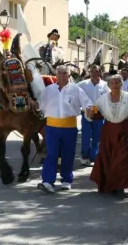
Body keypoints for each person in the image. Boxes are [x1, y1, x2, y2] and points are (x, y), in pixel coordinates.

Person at [37, 65, 93, 193]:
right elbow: (40, 105)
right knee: (51, 155)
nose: (62, 76)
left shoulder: (76, 89)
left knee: (68, 154)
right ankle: (47, 182)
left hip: (69, 128)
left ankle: (66, 180)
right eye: (60, 73)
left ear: (69, 76)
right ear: (56, 76)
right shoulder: (48, 90)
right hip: (51, 128)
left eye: (65, 73)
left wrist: (89, 108)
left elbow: (87, 102)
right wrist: (32, 103)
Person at [90, 74, 128, 196]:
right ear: (109, 85)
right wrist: (90, 113)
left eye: (117, 83)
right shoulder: (102, 99)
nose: (115, 85)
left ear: (121, 84)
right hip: (108, 133)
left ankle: (120, 184)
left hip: (127, 132)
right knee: (109, 159)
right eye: (112, 83)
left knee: (124, 159)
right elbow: (97, 115)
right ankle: (112, 184)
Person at [77, 65, 109, 166]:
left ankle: (93, 156)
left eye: (96, 71)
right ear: (89, 73)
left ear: (100, 72)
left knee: (97, 137)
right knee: (86, 136)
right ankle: (84, 156)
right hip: (86, 114)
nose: (94, 74)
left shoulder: (105, 85)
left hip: (99, 114)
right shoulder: (82, 84)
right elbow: (74, 93)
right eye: (91, 71)